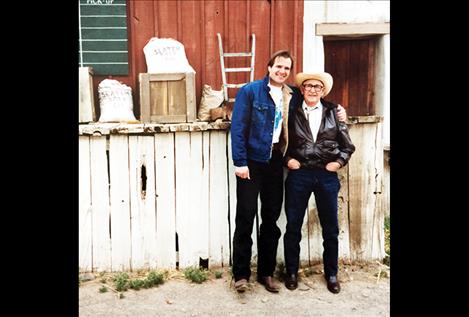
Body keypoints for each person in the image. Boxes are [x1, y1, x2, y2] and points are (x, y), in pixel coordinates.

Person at [230, 51, 347, 293]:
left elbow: (316, 102)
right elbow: (238, 127)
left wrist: (340, 111)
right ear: (269, 66)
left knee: (271, 218)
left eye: (286, 68)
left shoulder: (291, 94)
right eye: (278, 67)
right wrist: (239, 162)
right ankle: (241, 275)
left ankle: (266, 273)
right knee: (246, 215)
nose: (282, 71)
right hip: (251, 162)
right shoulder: (250, 91)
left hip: (275, 160)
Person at [283, 72, 355, 294]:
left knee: (330, 228)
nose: (313, 90)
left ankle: (331, 274)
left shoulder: (334, 112)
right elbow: (280, 143)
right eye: (308, 86)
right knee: (293, 226)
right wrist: (288, 160)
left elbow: (347, 146)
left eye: (317, 86)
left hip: (326, 175)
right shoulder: (291, 113)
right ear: (302, 90)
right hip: (300, 174)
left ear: (323, 91)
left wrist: (339, 163)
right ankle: (292, 272)